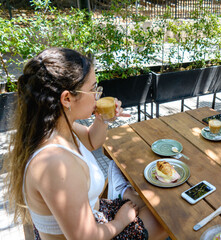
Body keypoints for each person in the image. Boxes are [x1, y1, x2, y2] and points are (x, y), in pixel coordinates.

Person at [4, 47, 167, 239]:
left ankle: (122, 192)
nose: (97, 95)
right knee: (166, 216)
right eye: (93, 89)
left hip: (94, 216)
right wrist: (121, 221)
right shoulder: (55, 164)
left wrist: (103, 119)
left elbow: (92, 141)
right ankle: (121, 192)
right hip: (94, 231)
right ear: (67, 98)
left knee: (155, 204)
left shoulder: (57, 127)